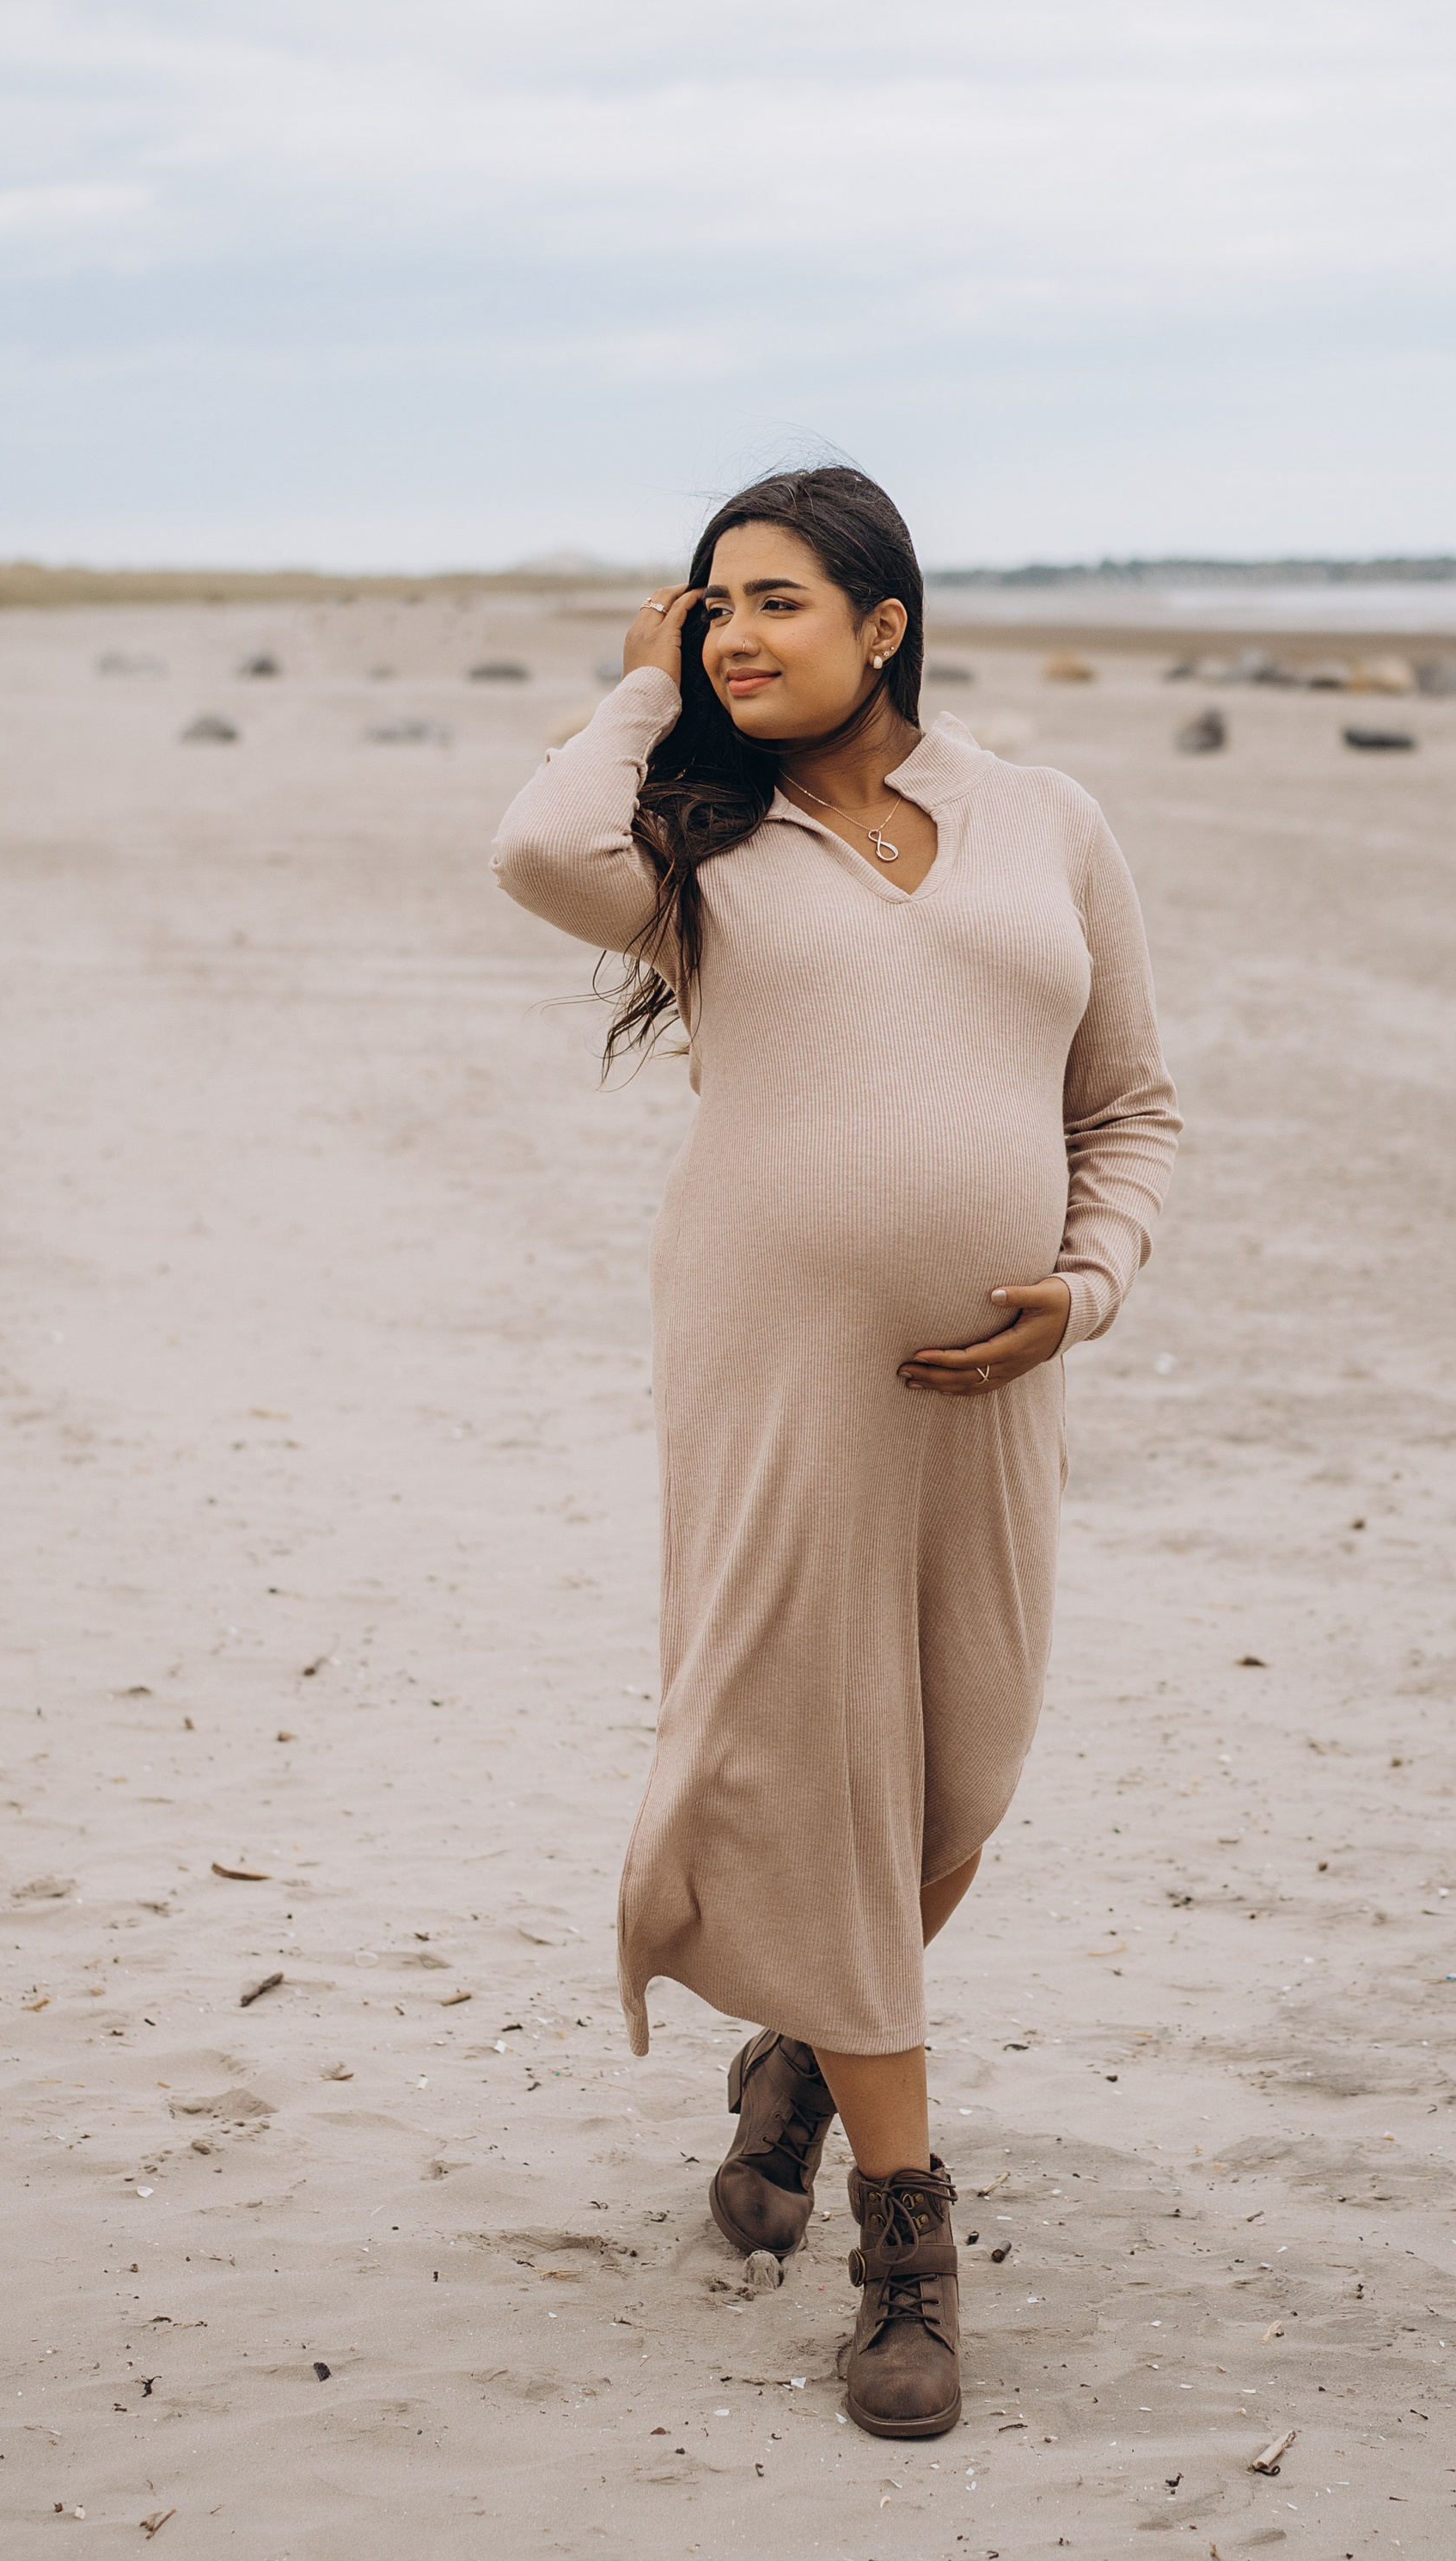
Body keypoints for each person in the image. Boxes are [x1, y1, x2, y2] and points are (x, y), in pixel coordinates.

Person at [491, 465, 1178, 2439]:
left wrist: (1085, 1286)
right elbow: (534, 851)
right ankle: (904, 2248)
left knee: (962, 1776)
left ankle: (799, 2049)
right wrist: (639, 690)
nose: (736, 634)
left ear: (884, 623)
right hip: (775, 1362)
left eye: (775, 601)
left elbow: (1128, 1106)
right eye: (711, 604)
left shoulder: (1046, 820)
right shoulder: (688, 845)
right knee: (825, 1768)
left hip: (993, 1383)